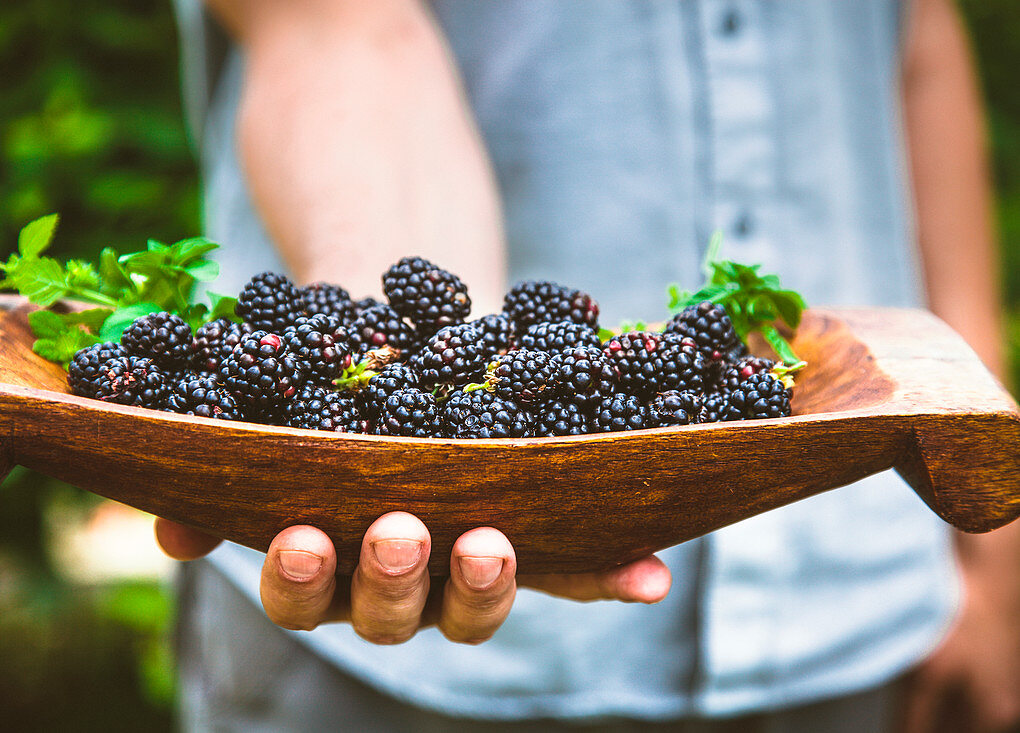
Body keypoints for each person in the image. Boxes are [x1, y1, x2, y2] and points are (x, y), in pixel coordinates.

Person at [162, 0, 1020, 730]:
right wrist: (402, 375)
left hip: (864, 585)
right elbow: (339, 30)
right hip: (392, 681)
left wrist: (994, 515)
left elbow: (916, 40)